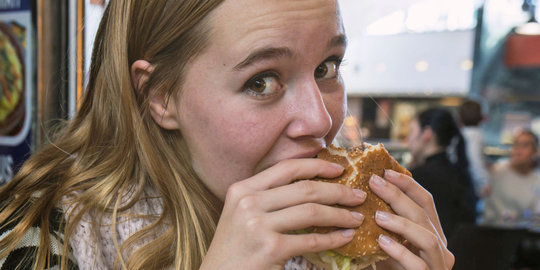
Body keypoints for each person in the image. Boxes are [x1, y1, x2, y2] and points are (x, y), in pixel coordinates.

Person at [0, 1, 454, 269]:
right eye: (261, 81)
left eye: (326, 68)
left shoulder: (345, 242)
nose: (320, 120)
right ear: (161, 96)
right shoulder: (35, 240)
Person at [406, 108, 477, 241]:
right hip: (460, 256)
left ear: (427, 134)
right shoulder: (461, 173)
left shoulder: (417, 177)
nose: (408, 139)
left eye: (411, 132)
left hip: (432, 257)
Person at [483, 129, 540, 224]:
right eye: (516, 144)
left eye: (525, 145)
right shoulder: (495, 172)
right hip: (491, 232)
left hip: (523, 235)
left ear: (535, 151)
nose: (518, 150)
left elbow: (535, 216)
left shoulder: (537, 181)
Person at [458, 100, 491, 200]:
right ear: (482, 117)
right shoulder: (475, 135)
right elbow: (475, 160)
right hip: (469, 185)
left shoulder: (461, 133)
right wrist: (485, 182)